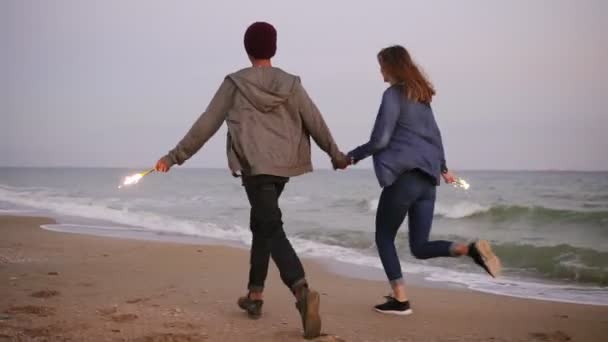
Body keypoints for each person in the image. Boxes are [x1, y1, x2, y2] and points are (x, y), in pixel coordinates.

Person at [155, 22, 349, 339]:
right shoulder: (291, 84)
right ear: (273, 48)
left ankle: (301, 291)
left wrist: (175, 156)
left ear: (248, 49)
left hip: (255, 167)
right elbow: (314, 120)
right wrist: (335, 154)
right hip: (284, 167)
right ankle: (255, 295)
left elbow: (207, 123)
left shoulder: (235, 83)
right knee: (262, 222)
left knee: (270, 226)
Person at [345, 45, 501, 316]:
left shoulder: (393, 94)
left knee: (384, 237)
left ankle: (401, 299)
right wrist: (443, 168)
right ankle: (469, 248)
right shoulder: (421, 98)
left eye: (382, 65)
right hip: (428, 181)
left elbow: (380, 139)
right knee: (420, 246)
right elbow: (436, 136)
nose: (380, 71)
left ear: (392, 66)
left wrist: (351, 156)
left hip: (404, 178)